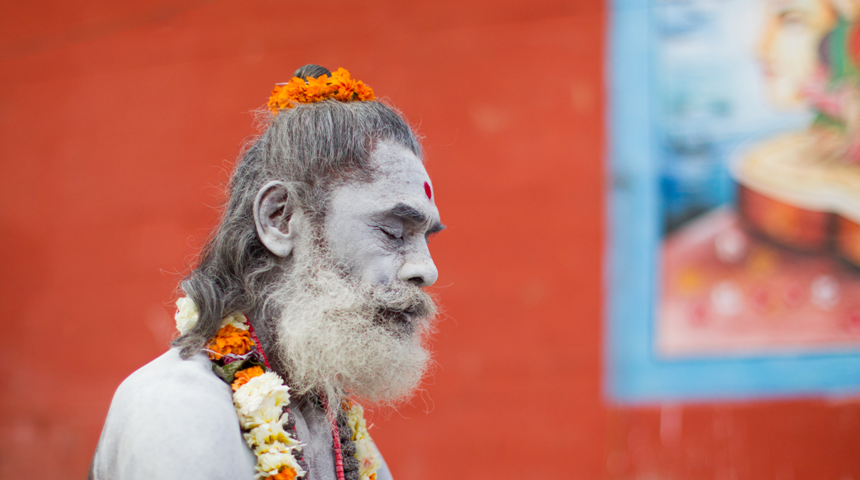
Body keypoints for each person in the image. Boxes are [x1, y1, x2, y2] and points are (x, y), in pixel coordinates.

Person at [89, 64, 444, 480]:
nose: (427, 270)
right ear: (280, 218)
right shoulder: (178, 409)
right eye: (392, 231)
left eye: (427, 238)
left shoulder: (338, 436)